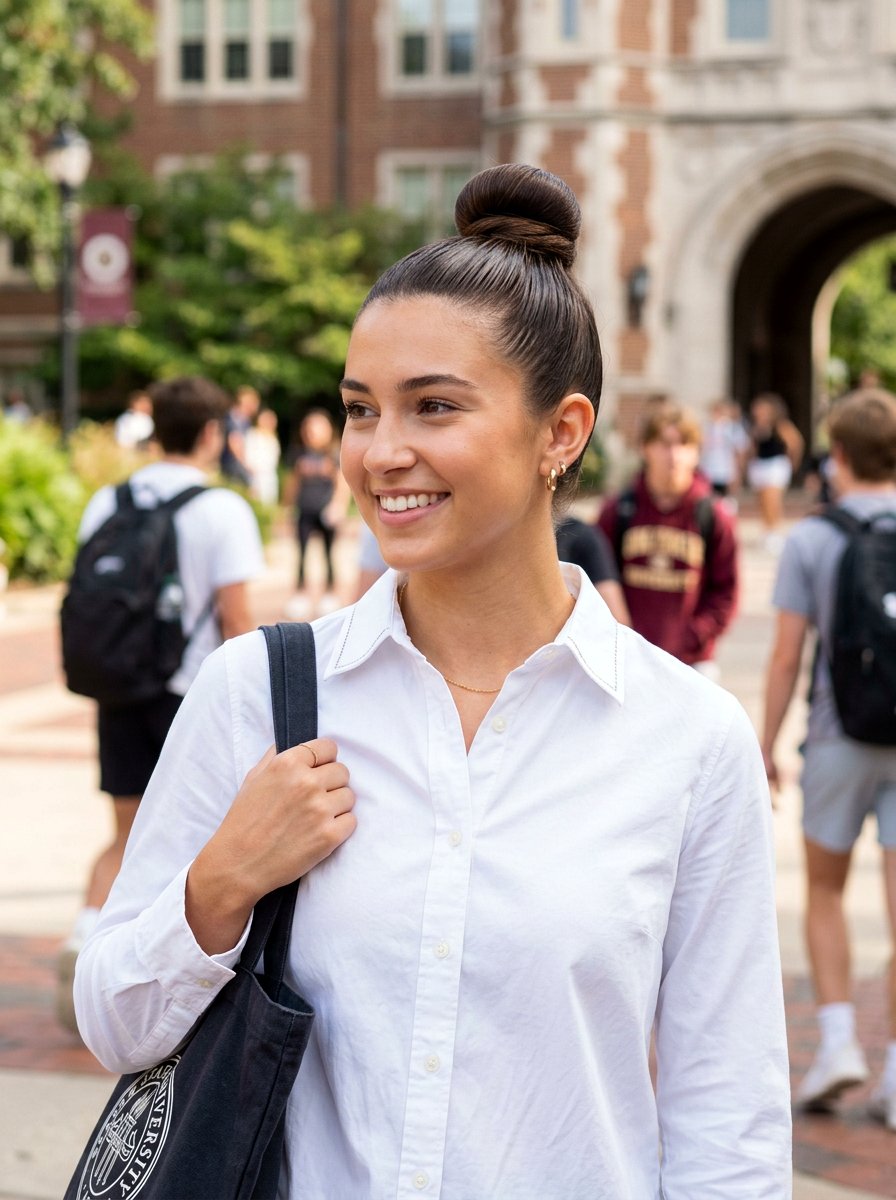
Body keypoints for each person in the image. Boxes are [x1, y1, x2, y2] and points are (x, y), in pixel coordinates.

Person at [75, 164, 790, 1195]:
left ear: (562, 433)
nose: (379, 453)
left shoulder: (685, 739)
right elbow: (112, 1023)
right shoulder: (257, 695)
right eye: (362, 409)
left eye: (434, 407)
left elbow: (727, 1121)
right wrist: (220, 884)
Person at [58, 375, 265, 1032]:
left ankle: (83, 951)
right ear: (211, 432)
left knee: (124, 835)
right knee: (198, 843)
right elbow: (238, 620)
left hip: (122, 688)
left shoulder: (107, 501)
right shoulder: (221, 509)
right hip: (191, 702)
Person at [760, 385, 896, 1129]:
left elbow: (785, 657)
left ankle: (838, 1040)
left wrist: (767, 741)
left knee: (824, 890)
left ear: (836, 456)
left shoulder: (814, 539)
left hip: (840, 736)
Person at [597, 403, 739, 678]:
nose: (674, 455)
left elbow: (727, 593)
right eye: (664, 443)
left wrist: (692, 636)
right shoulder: (619, 510)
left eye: (684, 444)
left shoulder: (713, 514)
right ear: (645, 448)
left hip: (691, 663)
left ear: (697, 452)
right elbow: (595, 581)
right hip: (627, 660)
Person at [284, 408, 343, 603]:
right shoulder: (298, 454)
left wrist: (338, 505)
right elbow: (292, 483)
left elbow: (341, 483)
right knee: (301, 554)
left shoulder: (334, 454)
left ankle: (330, 591)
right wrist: (287, 509)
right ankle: (300, 593)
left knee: (329, 554)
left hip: (326, 512)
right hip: (304, 510)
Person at [746, 391, 804, 550]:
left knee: (773, 500)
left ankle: (774, 531)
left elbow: (795, 443)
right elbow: (753, 448)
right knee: (762, 501)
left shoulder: (780, 425)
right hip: (759, 465)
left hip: (775, 465)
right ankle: (766, 530)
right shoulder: (756, 427)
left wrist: (792, 464)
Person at [700, 397, 750, 505]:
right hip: (707, 471)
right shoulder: (705, 427)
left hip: (726, 472)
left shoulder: (733, 429)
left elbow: (740, 452)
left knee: (725, 502)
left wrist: (739, 473)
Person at [219, 384, 260, 485]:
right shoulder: (235, 418)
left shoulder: (245, 421)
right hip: (232, 465)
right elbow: (234, 442)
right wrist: (246, 464)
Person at [245, 406, 282, 505]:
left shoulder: (273, 438)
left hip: (269, 476)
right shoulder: (253, 434)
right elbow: (248, 455)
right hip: (255, 475)